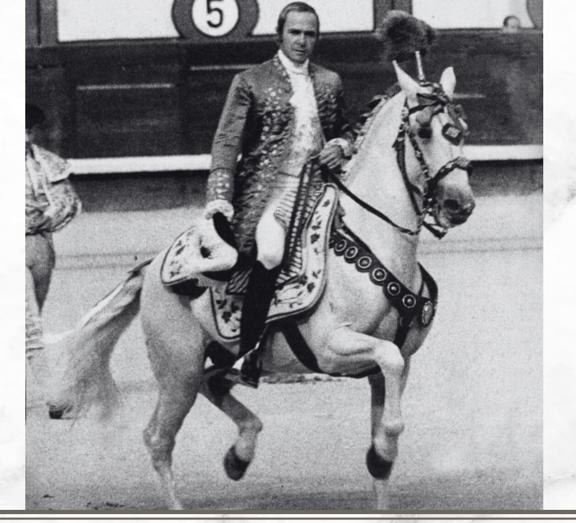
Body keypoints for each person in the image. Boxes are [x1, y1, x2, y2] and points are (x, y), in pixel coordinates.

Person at [204, 2, 355, 387]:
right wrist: (220, 197)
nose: (303, 41)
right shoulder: (250, 81)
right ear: (279, 35)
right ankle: (248, 353)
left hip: (321, 187)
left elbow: (346, 129)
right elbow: (226, 142)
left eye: (310, 34)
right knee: (270, 252)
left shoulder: (329, 81)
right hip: (268, 191)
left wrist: (342, 144)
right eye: (295, 33)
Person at [26, 104, 81, 396]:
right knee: (28, 322)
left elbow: (68, 202)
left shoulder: (47, 162)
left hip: (40, 247)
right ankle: (52, 394)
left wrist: (46, 218)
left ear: (33, 132)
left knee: (31, 315)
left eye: (27, 130)